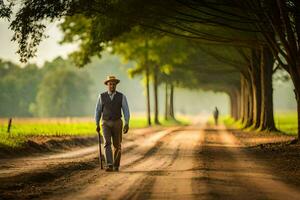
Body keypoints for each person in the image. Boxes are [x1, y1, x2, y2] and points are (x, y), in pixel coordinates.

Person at [95, 75, 130, 172]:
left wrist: (127, 122)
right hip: (105, 123)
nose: (112, 86)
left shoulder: (121, 96)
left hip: (117, 122)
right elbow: (98, 111)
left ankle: (116, 165)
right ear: (107, 85)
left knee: (117, 145)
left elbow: (126, 110)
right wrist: (97, 123)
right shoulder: (101, 96)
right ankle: (109, 164)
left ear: (116, 85)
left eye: (114, 84)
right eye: (110, 84)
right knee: (107, 143)